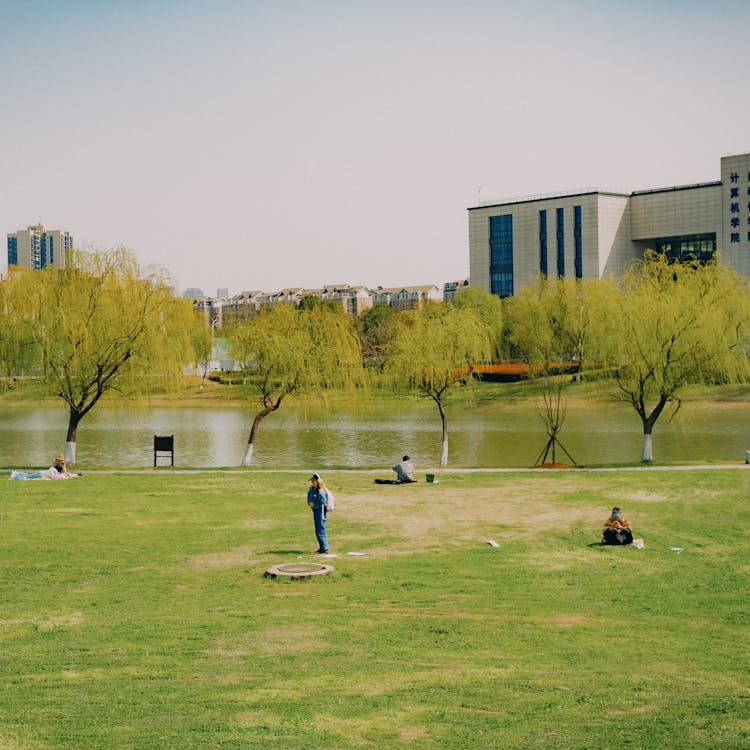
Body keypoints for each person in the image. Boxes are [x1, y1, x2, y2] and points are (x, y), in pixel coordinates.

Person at [307, 472, 330, 554]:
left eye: (314, 481)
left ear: (318, 481)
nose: (312, 482)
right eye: (312, 481)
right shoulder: (311, 489)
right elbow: (309, 497)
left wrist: (319, 495)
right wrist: (310, 502)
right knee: (318, 530)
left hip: (320, 512)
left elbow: (323, 501)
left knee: (320, 529)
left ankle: (324, 548)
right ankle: (322, 547)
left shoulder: (321, 490)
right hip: (315, 510)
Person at [11, 453, 78, 481]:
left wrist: (63, 466)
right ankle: (16, 474)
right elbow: (52, 474)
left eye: (60, 460)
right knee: (28, 476)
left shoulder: (61, 464)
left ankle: (17, 473)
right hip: (41, 474)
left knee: (28, 475)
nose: (60, 460)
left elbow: (64, 472)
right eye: (59, 459)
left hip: (42, 473)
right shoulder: (54, 465)